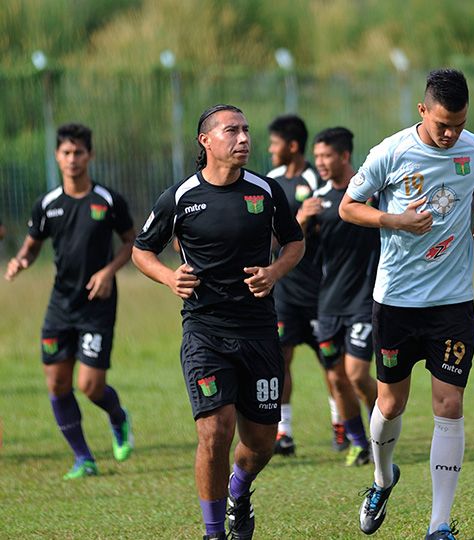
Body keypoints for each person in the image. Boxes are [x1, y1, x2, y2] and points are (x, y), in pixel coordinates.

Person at [341, 68, 474, 540]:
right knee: (390, 403)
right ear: (422, 111)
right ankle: (382, 478)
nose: (451, 135)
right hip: (396, 301)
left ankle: (439, 524)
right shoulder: (390, 152)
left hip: (453, 302)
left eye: (459, 124)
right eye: (441, 125)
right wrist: (394, 219)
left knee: (449, 404)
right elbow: (349, 206)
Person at [132, 104, 305, 539]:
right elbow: (141, 250)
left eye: (247, 129)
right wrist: (170, 276)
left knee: (262, 442)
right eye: (232, 130)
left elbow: (294, 243)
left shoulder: (266, 192)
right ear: (206, 141)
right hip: (205, 331)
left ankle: (239, 492)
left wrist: (274, 272)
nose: (244, 138)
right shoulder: (180, 197)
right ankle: (213, 533)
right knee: (215, 430)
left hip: (260, 331)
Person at [5, 123, 135, 480]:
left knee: (89, 386)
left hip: (97, 305)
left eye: (79, 152)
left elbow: (131, 242)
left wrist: (108, 272)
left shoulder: (107, 201)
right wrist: (19, 261)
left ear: (89, 155)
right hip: (60, 305)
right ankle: (84, 458)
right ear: (57, 157)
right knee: (57, 385)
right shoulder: (48, 204)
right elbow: (31, 247)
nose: (72, 159)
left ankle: (118, 418)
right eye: (66, 153)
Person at [266, 115, 363, 459]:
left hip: (320, 291)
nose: (269, 149)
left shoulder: (317, 183)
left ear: (292, 146)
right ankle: (283, 430)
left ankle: (341, 424)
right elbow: (277, 235)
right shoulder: (271, 181)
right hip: (285, 292)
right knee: (280, 359)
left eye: (274, 143)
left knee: (331, 365)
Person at [309, 126, 379, 466]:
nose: (320, 162)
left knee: (356, 374)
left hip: (365, 300)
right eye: (317, 155)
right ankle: (357, 441)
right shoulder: (317, 202)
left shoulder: (369, 194)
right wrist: (302, 219)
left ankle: (383, 427)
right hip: (329, 303)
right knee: (336, 378)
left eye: (326, 156)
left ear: (345, 156)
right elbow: (295, 249)